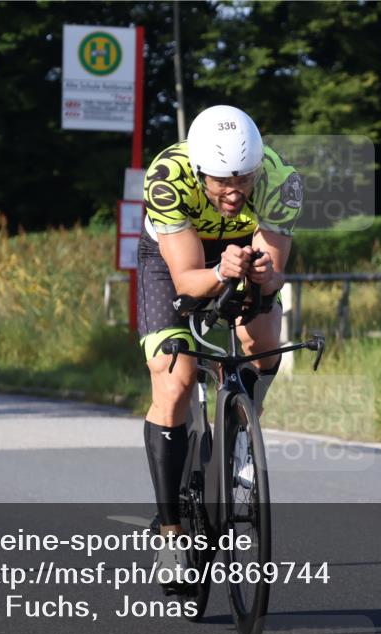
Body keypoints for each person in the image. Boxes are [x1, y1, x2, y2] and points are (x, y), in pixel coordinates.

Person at [137, 105, 303, 590]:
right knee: (175, 380)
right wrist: (218, 273)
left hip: (243, 252)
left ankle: (243, 430)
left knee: (264, 341)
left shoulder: (280, 180)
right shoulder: (168, 176)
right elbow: (187, 278)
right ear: (198, 169)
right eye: (221, 182)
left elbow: (274, 274)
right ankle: (170, 536)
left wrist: (263, 275)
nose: (234, 192)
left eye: (244, 179)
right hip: (176, 258)